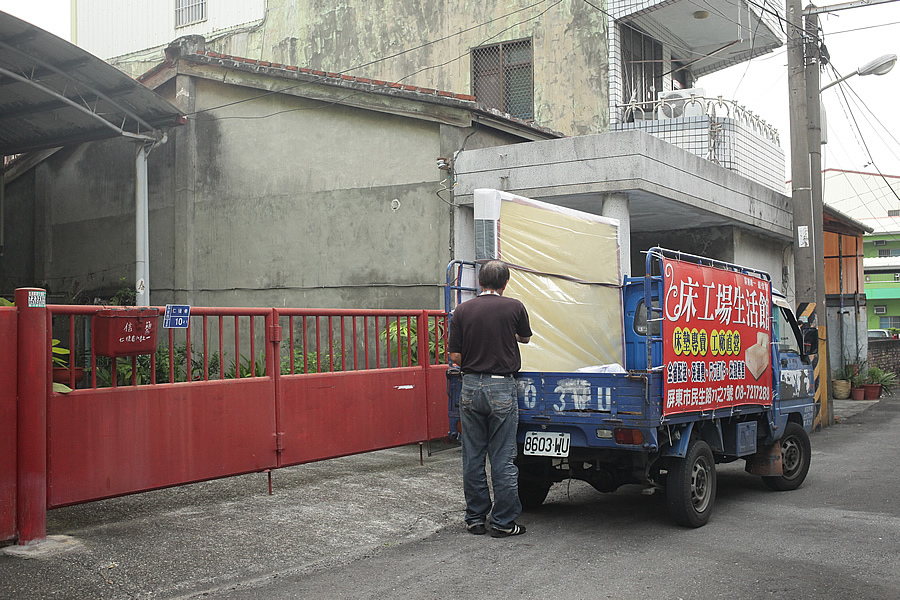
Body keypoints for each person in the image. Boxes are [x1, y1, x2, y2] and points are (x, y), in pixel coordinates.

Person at [448, 260, 532, 538]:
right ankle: (503, 523)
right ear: (505, 283)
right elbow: (525, 338)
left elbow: (455, 357)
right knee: (503, 457)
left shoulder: (462, 310)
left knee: (472, 456)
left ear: (479, 282)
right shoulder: (514, 307)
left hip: (470, 387)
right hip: (501, 389)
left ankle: (475, 518)